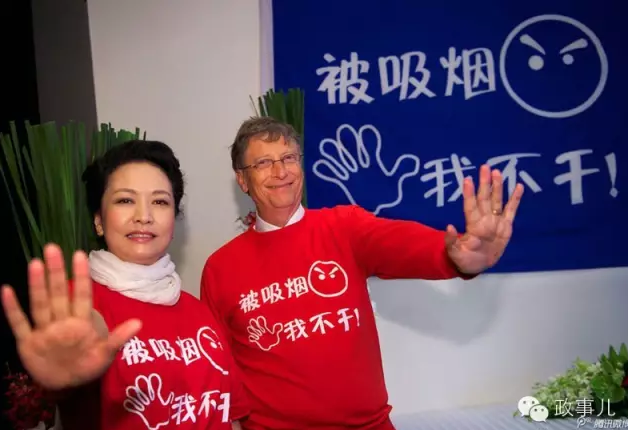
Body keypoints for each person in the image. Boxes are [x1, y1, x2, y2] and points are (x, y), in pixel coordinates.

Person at [200, 117, 524, 430]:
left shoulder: (343, 227)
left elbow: (403, 243)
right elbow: (217, 372)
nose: (280, 171)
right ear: (242, 179)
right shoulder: (221, 268)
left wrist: (460, 257)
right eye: (263, 163)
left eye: (289, 158)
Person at [1, 140, 249, 430]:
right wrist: (67, 366)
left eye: (160, 202)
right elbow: (85, 333)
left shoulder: (198, 313)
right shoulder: (76, 303)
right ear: (98, 220)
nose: (144, 216)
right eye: (125, 200)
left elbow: (230, 416)